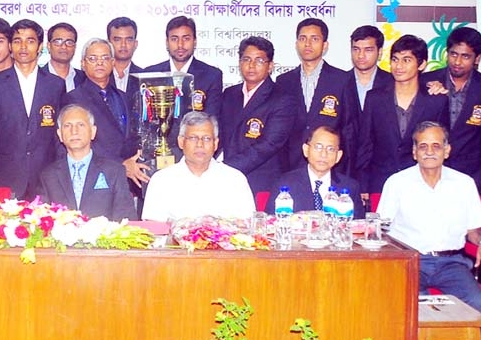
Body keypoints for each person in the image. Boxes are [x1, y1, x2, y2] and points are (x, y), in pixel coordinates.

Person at [377, 121, 481, 319]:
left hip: (452, 264)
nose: (429, 151)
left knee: (480, 306)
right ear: (414, 152)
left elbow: (473, 229)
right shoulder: (397, 183)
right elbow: (381, 230)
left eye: (436, 146)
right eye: (423, 146)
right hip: (411, 263)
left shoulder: (464, 184)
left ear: (446, 150)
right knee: (417, 312)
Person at [0, 19, 65, 199]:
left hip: (46, 177)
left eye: (30, 41)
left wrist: (60, 173)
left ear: (40, 46)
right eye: (17, 41)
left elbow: (59, 138)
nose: (23, 46)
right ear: (10, 46)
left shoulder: (55, 84)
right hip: (5, 178)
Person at [356, 35, 448, 194]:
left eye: (406, 60)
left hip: (421, 183)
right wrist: (363, 186)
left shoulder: (436, 101)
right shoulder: (375, 98)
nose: (398, 66)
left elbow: (442, 145)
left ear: (422, 64)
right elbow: (365, 145)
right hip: (380, 183)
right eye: (395, 59)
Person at [63, 38, 148, 190]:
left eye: (105, 58)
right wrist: (121, 165)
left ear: (112, 62)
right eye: (93, 58)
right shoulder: (74, 99)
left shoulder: (123, 96)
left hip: (128, 182)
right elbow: (79, 143)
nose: (99, 63)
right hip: (95, 180)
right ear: (83, 63)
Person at [276, 18, 358, 175]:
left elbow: (349, 129)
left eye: (314, 39)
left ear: (325, 45)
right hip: (291, 166)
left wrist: (348, 173)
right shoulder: (284, 81)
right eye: (302, 38)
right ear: (296, 44)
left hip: (331, 166)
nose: (307, 44)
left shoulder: (342, 79)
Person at [142, 112, 255, 221]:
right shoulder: (161, 180)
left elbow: (248, 226)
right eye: (193, 138)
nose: (200, 144)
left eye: (206, 138)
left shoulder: (235, 179)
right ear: (181, 142)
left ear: (215, 143)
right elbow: (153, 229)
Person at [219, 36, 293, 194]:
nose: (251, 66)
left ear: (270, 66)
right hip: (228, 183)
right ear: (240, 63)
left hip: (262, 183)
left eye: (259, 60)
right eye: (246, 59)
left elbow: (268, 145)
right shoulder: (229, 94)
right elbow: (219, 135)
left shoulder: (282, 98)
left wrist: (224, 168)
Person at [36, 105, 136, 221]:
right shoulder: (48, 176)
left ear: (93, 132)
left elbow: (126, 219)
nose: (74, 131)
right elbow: (42, 222)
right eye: (67, 126)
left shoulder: (114, 172)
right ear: (60, 135)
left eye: (81, 125)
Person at [421, 27, 481, 193]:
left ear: (477, 58)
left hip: (473, 174)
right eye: (453, 54)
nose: (457, 62)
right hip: (429, 171)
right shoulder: (425, 81)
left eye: (465, 56)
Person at [265, 126, 364, 217]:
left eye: (330, 149)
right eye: (318, 147)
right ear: (306, 150)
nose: (323, 154)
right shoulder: (284, 183)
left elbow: (358, 229)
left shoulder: (351, 187)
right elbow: (270, 224)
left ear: (338, 156)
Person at [145, 16, 223, 119]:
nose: (180, 45)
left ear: (195, 42)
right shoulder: (151, 74)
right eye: (174, 39)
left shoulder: (211, 76)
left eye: (186, 38)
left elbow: (211, 120)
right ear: (167, 43)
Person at [349, 25, 392, 110]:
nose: (361, 55)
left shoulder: (392, 82)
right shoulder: (340, 82)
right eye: (356, 49)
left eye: (368, 50)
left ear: (379, 52)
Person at [42, 22, 84, 92]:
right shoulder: (36, 78)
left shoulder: (84, 79)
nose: (64, 46)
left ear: (75, 47)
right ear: (49, 46)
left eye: (69, 42)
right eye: (58, 42)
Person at [106, 17, 142, 95]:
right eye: (117, 40)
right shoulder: (100, 74)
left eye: (129, 40)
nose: (123, 45)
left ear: (135, 44)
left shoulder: (143, 77)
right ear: (108, 44)